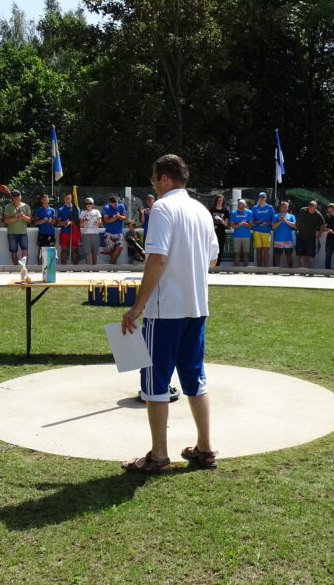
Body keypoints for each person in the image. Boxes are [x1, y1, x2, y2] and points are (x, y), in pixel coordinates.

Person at [121, 154, 219, 472]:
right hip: (196, 306)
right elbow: (212, 259)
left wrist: (138, 305)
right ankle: (205, 448)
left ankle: (158, 456)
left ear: (164, 178)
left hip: (165, 311)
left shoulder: (163, 208)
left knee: (155, 382)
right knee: (195, 377)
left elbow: (158, 258)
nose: (153, 186)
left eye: (154, 180)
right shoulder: (201, 210)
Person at [2, 190, 31, 265]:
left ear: (20, 196)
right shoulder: (8, 206)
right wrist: (16, 217)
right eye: (14, 195)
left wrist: (22, 216)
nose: (16, 197)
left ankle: (24, 269)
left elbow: (29, 220)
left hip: (23, 233)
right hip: (12, 233)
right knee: (14, 252)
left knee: (25, 251)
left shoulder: (26, 206)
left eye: (17, 195)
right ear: (12, 197)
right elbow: (6, 220)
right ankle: (16, 269)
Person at [295, 200, 325, 268]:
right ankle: (302, 268)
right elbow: (297, 220)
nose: (313, 209)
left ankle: (310, 269)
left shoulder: (318, 214)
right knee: (301, 254)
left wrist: (320, 233)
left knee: (311, 254)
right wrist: (296, 230)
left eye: (315, 208)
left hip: (311, 237)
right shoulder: (302, 210)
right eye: (311, 208)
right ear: (308, 207)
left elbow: (322, 224)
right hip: (300, 236)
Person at [251, 192, 276, 267]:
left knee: (265, 250)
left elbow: (274, 219)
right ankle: (259, 268)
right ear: (258, 198)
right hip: (257, 231)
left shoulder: (270, 207)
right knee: (258, 250)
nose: (261, 198)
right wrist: (257, 221)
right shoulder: (254, 208)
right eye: (260, 197)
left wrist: (267, 223)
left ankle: (265, 268)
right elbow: (251, 220)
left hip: (266, 231)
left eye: (263, 197)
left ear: (266, 198)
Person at [102, 195, 127, 264]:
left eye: (115, 204)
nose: (114, 205)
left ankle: (111, 265)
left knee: (119, 248)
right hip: (109, 232)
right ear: (110, 202)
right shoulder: (106, 207)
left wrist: (119, 216)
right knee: (112, 252)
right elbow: (106, 221)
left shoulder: (121, 206)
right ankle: (113, 267)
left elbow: (124, 218)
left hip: (119, 232)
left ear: (117, 202)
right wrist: (115, 217)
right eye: (113, 204)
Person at [57, 192, 81, 265]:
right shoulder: (60, 209)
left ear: (71, 198)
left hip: (75, 232)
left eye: (69, 198)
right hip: (64, 232)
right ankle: (63, 269)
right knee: (64, 250)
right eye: (66, 198)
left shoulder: (76, 208)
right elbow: (59, 222)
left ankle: (75, 269)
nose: (67, 200)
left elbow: (79, 221)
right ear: (64, 199)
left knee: (75, 250)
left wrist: (71, 222)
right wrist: (65, 223)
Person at [272, 200, 297, 267]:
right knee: (277, 255)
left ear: (288, 208)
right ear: (280, 207)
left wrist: (286, 221)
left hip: (288, 240)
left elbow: (295, 225)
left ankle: (290, 270)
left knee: (289, 255)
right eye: (283, 207)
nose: (285, 208)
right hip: (278, 239)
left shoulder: (291, 216)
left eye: (286, 207)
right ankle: (276, 270)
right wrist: (280, 221)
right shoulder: (276, 216)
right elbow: (273, 227)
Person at [79, 197, 102, 265]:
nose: (88, 205)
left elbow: (100, 223)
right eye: (87, 203)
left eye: (90, 203)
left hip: (95, 234)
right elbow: (81, 225)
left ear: (93, 204)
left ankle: (94, 268)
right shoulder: (83, 212)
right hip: (86, 234)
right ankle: (88, 268)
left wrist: (97, 222)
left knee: (95, 253)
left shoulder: (97, 211)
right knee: (87, 253)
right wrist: (85, 220)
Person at [229, 199, 253, 266]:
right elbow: (232, 226)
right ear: (237, 205)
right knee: (237, 253)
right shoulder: (234, 213)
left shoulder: (249, 212)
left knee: (246, 253)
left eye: (242, 206)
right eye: (239, 206)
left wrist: (245, 224)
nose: (241, 208)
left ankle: (245, 269)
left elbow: (250, 226)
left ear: (245, 205)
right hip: (237, 236)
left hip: (246, 236)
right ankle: (236, 269)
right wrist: (240, 224)